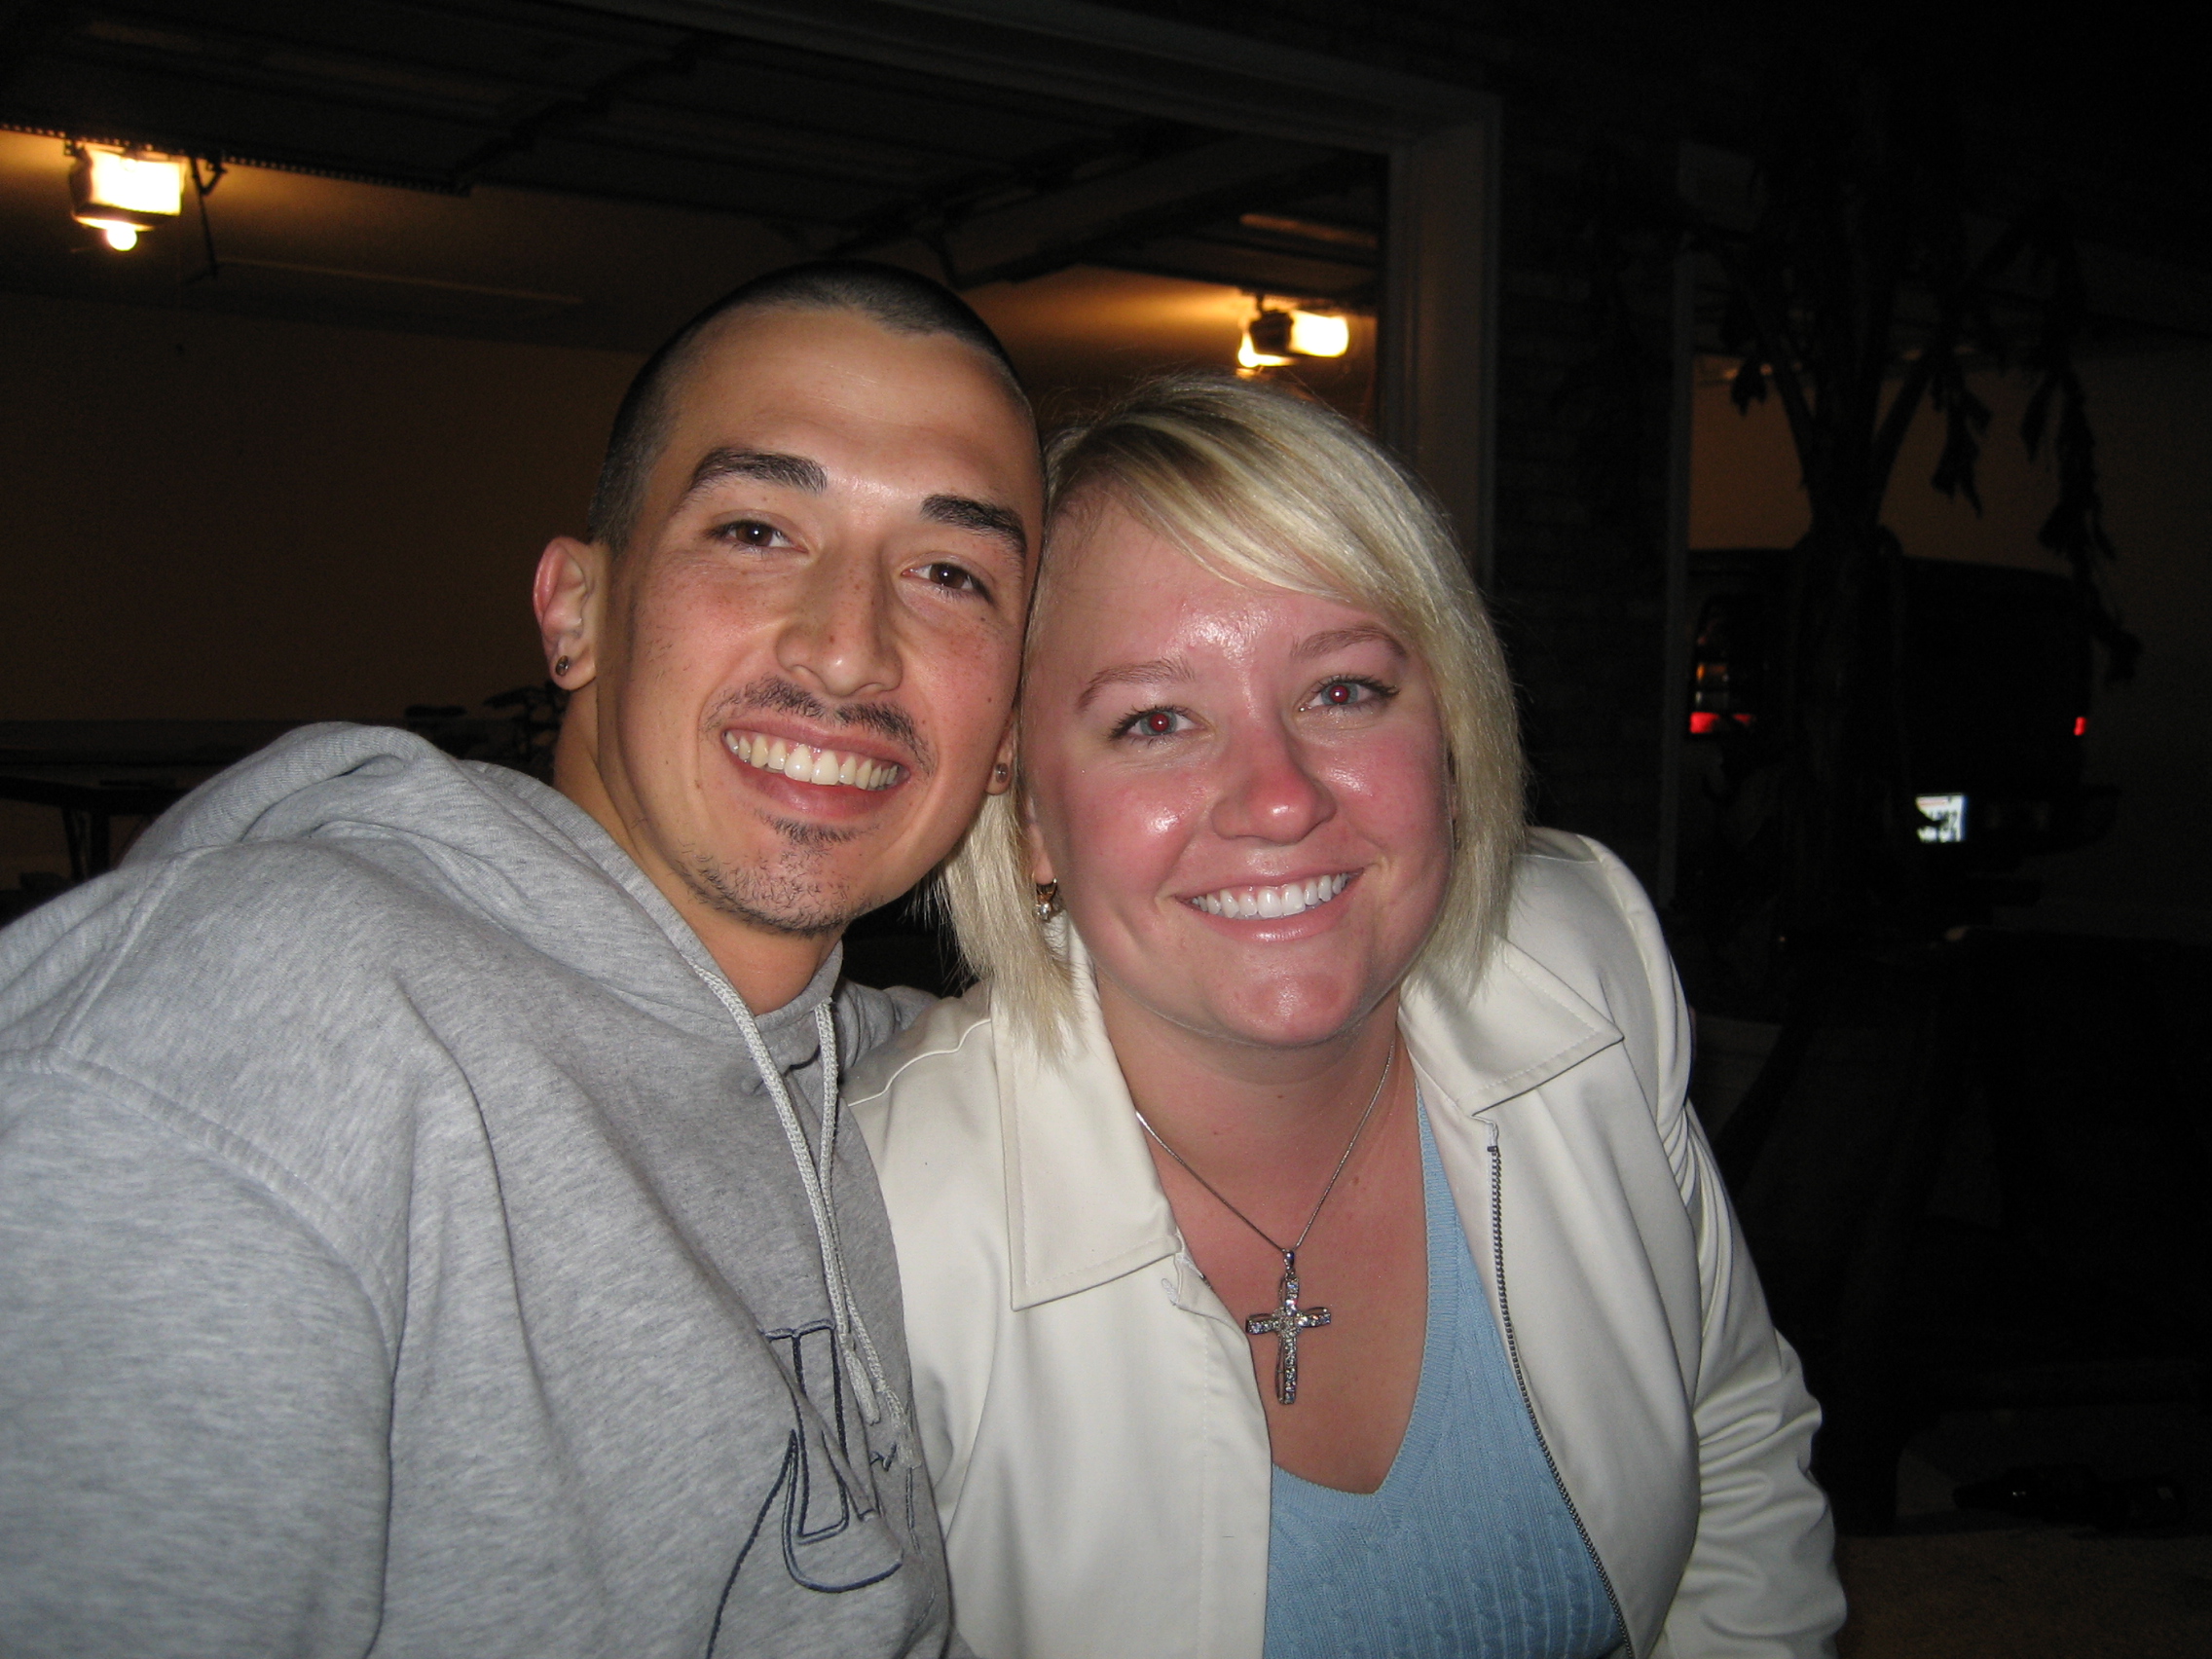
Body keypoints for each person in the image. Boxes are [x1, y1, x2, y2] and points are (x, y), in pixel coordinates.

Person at [0, 261, 1041, 1657]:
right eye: (754, 530)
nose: (850, 649)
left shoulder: (877, 1076)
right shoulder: (250, 1045)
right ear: (575, 612)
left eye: (951, 573)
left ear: (1008, 727)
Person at [849, 375, 1845, 1658]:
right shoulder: (890, 1220)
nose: (1277, 797)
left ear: (1452, 731)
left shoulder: (1580, 962)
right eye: (1155, 719)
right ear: (1030, 817)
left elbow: (1733, 1435)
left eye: (1343, 692)